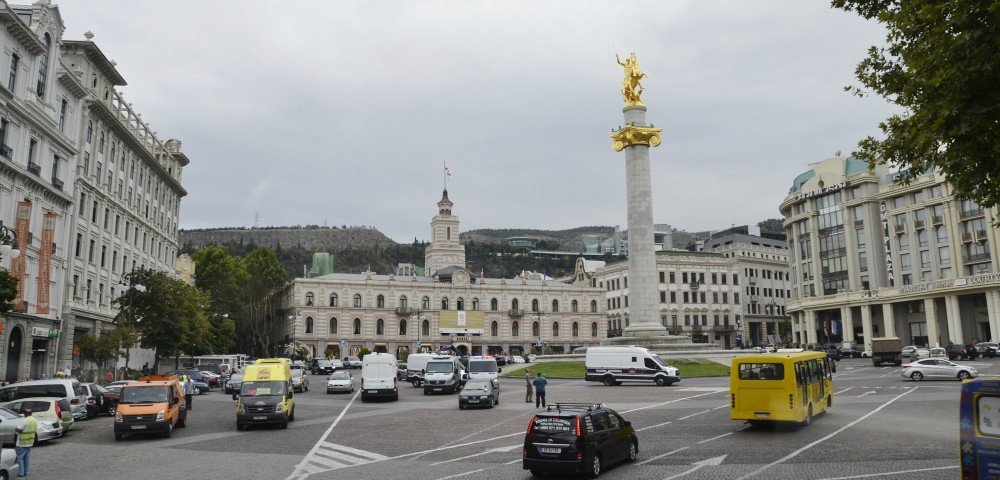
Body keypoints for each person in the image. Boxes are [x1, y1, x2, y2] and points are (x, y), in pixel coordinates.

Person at [13, 408, 36, 477]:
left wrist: (16, 429)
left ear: (25, 414)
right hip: (30, 441)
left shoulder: (25, 420)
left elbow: (19, 429)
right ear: (31, 413)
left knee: (20, 458)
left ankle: (21, 473)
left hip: (22, 442)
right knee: (26, 457)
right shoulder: (34, 420)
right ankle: (26, 472)